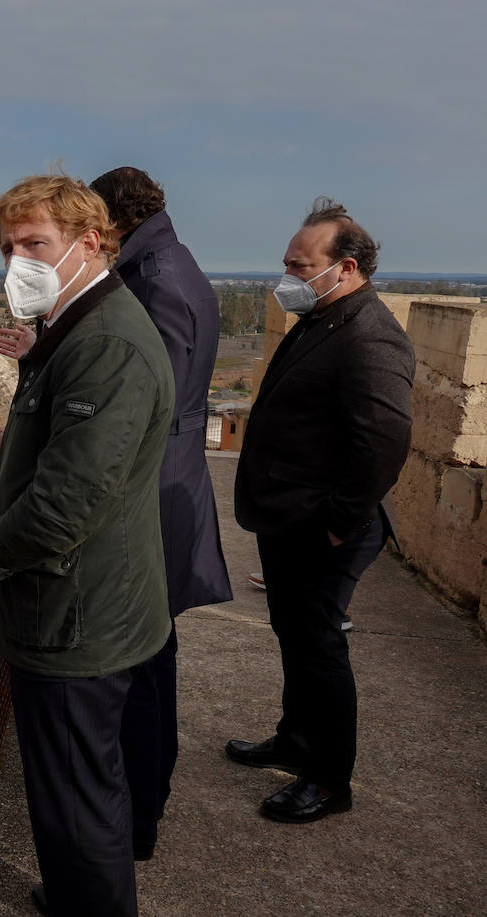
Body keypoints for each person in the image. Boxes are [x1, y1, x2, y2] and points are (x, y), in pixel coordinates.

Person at [0, 174, 174, 916]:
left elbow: (65, 508)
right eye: (10, 247)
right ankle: (77, 891)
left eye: (34, 243)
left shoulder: (107, 345)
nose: (19, 262)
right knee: (71, 796)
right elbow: (63, 451)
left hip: (75, 616)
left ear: (89, 242)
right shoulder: (78, 322)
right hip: (81, 603)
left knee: (79, 802)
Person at [227, 198, 413, 823]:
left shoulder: (369, 333)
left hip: (323, 526)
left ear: (348, 266)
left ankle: (330, 780)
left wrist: (339, 520)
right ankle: (297, 739)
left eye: (300, 265)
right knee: (295, 635)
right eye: (287, 263)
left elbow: (383, 439)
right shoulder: (326, 318)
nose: (288, 277)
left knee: (319, 648)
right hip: (292, 517)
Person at [88, 167, 232, 859]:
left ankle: (136, 821)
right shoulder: (169, 261)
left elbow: (147, 407)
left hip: (153, 490)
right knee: (149, 658)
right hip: (167, 480)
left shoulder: (155, 279)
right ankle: (137, 812)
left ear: (111, 218)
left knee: (143, 668)